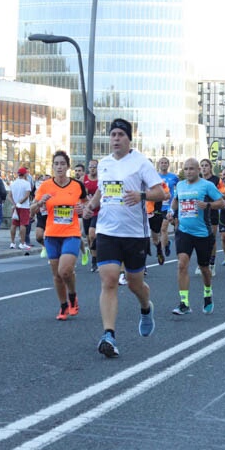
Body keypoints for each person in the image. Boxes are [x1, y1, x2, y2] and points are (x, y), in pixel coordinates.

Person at [82, 118, 166, 358]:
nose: (116, 139)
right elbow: (103, 188)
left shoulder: (140, 163)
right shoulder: (105, 164)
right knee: (108, 280)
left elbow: (160, 192)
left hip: (134, 234)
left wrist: (141, 195)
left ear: (129, 139)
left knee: (134, 283)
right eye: (113, 135)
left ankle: (146, 307)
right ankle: (109, 334)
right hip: (107, 230)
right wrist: (91, 205)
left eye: (120, 134)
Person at [32, 151, 87, 320]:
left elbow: (86, 205)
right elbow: (31, 209)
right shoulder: (45, 186)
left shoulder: (77, 186)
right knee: (56, 274)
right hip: (52, 234)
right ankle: (63, 306)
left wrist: (82, 209)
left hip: (71, 233)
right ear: (53, 166)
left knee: (65, 271)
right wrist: (40, 202)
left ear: (68, 166)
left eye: (63, 163)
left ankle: (72, 296)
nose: (59, 167)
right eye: (56, 163)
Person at [168, 158, 224, 315]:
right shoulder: (180, 185)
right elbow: (175, 201)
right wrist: (171, 213)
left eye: (191, 169)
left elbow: (221, 202)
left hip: (203, 233)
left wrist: (208, 205)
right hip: (184, 231)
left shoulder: (207, 185)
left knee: (204, 268)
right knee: (182, 264)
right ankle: (184, 302)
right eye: (185, 169)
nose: (188, 172)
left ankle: (207, 293)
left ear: (198, 169)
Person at [198, 158, 225, 275]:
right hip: (199, 213)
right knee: (199, 240)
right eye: (202, 166)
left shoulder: (216, 180)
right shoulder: (197, 180)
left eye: (206, 165)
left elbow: (224, 194)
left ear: (210, 167)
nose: (204, 168)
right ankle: (202, 263)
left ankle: (212, 264)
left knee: (211, 239)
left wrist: (212, 194)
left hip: (212, 211)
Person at [156, 157, 180, 260]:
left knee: (165, 228)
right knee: (160, 230)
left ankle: (162, 250)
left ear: (168, 165)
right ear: (159, 164)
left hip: (170, 206)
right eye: (162, 163)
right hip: (157, 206)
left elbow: (180, 188)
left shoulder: (173, 177)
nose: (164, 164)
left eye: (166, 163)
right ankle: (165, 245)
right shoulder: (155, 176)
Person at [9, 167, 33, 252]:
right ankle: (22, 243)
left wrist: (14, 204)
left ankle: (12, 242)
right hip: (24, 207)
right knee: (23, 224)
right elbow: (27, 196)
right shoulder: (26, 183)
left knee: (14, 224)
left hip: (15, 207)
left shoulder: (13, 183)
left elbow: (10, 195)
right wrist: (20, 203)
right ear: (25, 174)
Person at [82, 159, 99, 271]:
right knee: (88, 236)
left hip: (98, 210)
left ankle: (95, 260)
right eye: (91, 167)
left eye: (95, 167)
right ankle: (94, 257)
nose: (92, 169)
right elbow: (79, 193)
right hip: (87, 210)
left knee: (92, 234)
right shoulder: (84, 179)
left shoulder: (102, 179)